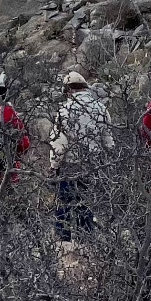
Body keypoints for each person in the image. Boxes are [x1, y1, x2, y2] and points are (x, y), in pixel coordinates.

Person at [52, 70, 112, 240]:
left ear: (69, 89)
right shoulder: (101, 108)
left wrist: (54, 165)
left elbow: (59, 143)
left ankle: (63, 243)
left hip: (69, 166)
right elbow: (108, 139)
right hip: (93, 165)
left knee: (63, 206)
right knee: (86, 205)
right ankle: (86, 242)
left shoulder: (65, 110)